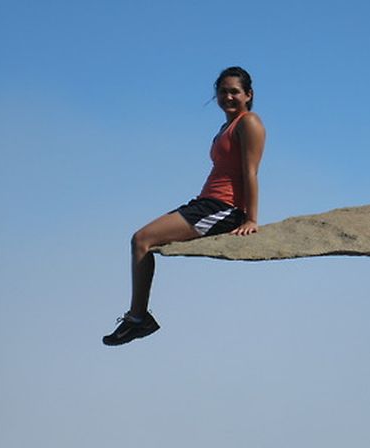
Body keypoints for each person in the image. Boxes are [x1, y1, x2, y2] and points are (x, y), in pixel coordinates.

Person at [103, 66, 266, 346]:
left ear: (248, 95)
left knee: (142, 240)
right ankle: (138, 317)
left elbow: (250, 172)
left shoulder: (248, 122)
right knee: (141, 240)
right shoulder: (225, 127)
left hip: (223, 207)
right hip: (206, 203)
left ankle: (138, 319)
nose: (228, 97)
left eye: (235, 92)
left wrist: (250, 219)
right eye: (223, 91)